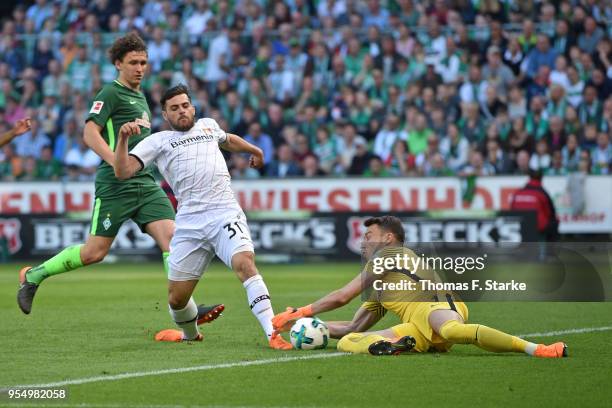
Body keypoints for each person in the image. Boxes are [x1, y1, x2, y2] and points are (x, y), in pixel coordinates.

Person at [17, 34, 223, 325]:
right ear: (118, 64)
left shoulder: (140, 97)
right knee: (94, 253)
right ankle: (33, 276)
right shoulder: (110, 93)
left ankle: (185, 308)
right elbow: (90, 132)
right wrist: (116, 160)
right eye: (133, 63)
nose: (140, 68)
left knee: (173, 240)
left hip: (145, 183)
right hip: (115, 185)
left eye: (144, 63)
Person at [113, 84, 292, 349]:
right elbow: (122, 171)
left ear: (193, 107)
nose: (182, 111)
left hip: (224, 213)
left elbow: (228, 139)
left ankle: (272, 333)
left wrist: (254, 150)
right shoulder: (158, 141)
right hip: (189, 223)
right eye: (174, 108)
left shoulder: (208, 125)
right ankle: (189, 334)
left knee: (245, 263)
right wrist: (122, 139)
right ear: (165, 115)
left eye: (185, 105)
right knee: (177, 299)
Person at [272, 216, 567, 358]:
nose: (363, 241)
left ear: (388, 239)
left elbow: (343, 296)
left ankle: (536, 349)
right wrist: (310, 325)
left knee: (451, 331)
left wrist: (301, 312)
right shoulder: (382, 285)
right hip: (417, 326)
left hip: (438, 308)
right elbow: (352, 325)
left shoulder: (389, 255)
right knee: (350, 341)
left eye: (369, 235)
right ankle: (392, 348)